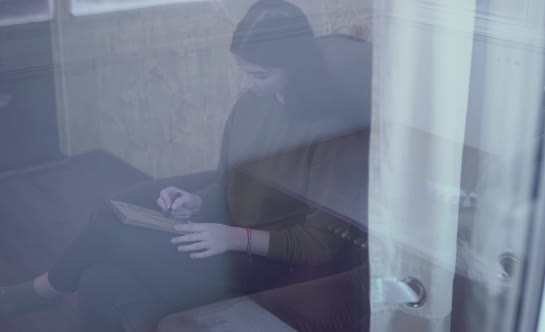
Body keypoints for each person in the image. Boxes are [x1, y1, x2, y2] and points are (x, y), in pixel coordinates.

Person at [0, 1, 357, 330]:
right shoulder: (251, 106)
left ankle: (40, 292)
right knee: (99, 279)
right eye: (242, 71)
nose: (245, 85)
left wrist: (233, 237)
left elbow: (319, 246)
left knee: (111, 226)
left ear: (299, 66)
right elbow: (229, 178)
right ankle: (44, 291)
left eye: (259, 75)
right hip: (219, 237)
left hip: (267, 264)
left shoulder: (331, 136)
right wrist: (197, 200)